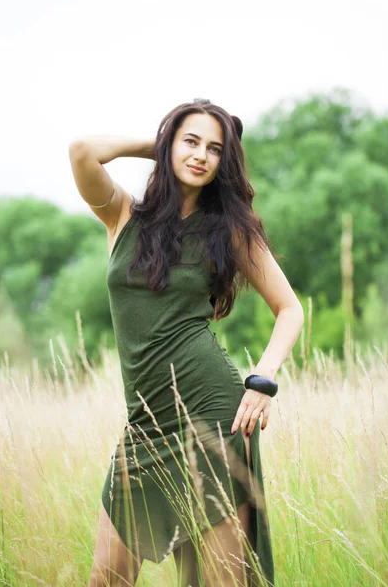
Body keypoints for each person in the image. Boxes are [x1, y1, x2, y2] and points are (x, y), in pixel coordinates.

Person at [68, 98, 304, 587]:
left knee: (219, 581)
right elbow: (82, 150)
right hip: (145, 427)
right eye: (190, 142)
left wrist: (262, 381)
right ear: (169, 144)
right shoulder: (122, 216)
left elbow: (290, 309)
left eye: (215, 149)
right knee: (106, 577)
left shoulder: (229, 231)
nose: (201, 155)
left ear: (224, 163)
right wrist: (159, 144)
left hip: (215, 414)